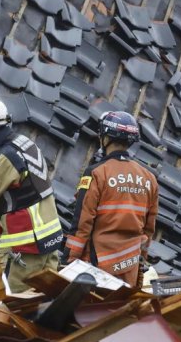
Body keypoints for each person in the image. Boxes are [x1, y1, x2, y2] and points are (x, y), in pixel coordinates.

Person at [0, 98, 64, 292]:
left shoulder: (7, 156)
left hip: (26, 245)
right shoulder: (24, 143)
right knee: (42, 297)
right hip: (48, 239)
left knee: (14, 302)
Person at [63, 111, 159, 287]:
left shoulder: (97, 173)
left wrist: (68, 261)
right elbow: (148, 230)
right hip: (129, 267)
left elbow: (82, 223)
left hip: (97, 268)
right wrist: (140, 262)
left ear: (105, 138)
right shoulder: (149, 178)